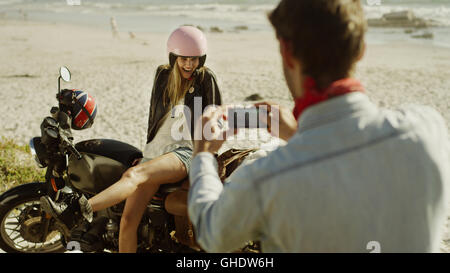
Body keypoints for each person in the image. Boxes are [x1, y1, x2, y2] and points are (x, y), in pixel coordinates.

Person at [188, 0, 450, 252]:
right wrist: (298, 135)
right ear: (360, 50)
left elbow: (213, 234)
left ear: (287, 54)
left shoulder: (266, 179)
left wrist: (203, 155)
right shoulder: (427, 131)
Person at [41, 26, 222, 253]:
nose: (189, 64)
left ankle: (79, 210)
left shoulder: (206, 79)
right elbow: (154, 120)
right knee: (128, 223)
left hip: (184, 152)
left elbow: (216, 121)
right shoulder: (163, 76)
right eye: (184, 58)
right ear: (173, 56)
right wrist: (148, 154)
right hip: (155, 153)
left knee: (133, 174)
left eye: (194, 59)